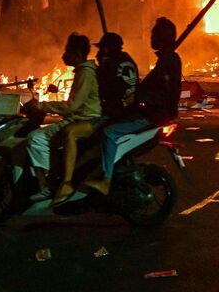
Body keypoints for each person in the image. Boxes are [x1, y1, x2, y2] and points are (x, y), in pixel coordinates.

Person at [84, 17, 182, 195]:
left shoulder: (169, 61)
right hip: (149, 111)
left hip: (153, 115)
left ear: (163, 37)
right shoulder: (164, 60)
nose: (151, 37)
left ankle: (105, 179)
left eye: (154, 34)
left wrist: (137, 98)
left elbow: (164, 94)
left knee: (109, 133)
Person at [50, 32, 139, 205]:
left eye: (100, 50)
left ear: (106, 49)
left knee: (70, 132)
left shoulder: (105, 68)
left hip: (113, 115)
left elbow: (81, 102)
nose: (97, 54)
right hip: (124, 112)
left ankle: (67, 183)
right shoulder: (126, 61)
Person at [25, 33, 102, 203]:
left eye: (67, 52)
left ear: (77, 54)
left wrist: (41, 106)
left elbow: (72, 106)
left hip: (83, 120)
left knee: (35, 138)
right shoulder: (86, 71)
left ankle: (46, 186)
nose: (64, 55)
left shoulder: (85, 73)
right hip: (83, 118)